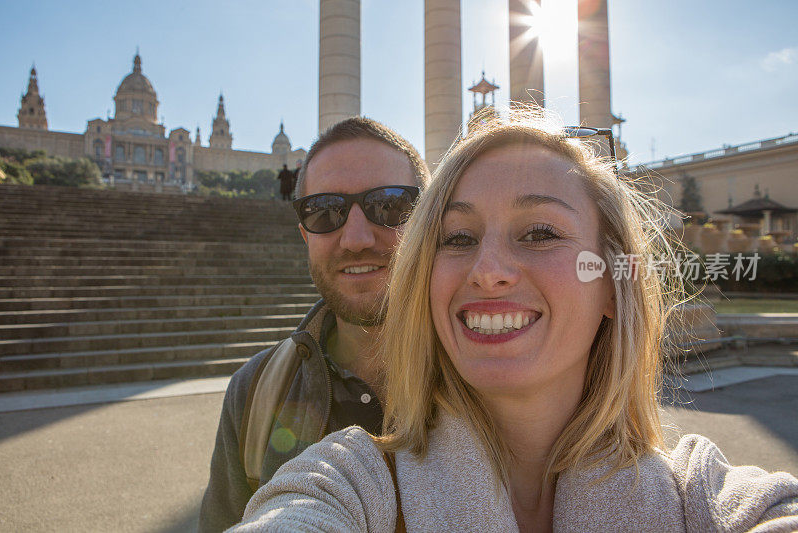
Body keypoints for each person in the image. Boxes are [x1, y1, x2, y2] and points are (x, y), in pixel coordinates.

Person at [231, 111, 798, 532]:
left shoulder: (700, 492)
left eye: (541, 233)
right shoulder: (349, 478)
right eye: (457, 237)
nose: (490, 270)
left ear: (612, 282)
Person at [197, 117, 430, 532]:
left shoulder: (502, 375)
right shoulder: (252, 392)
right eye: (325, 211)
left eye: (390, 205)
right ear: (305, 233)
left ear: (430, 222)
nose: (356, 238)